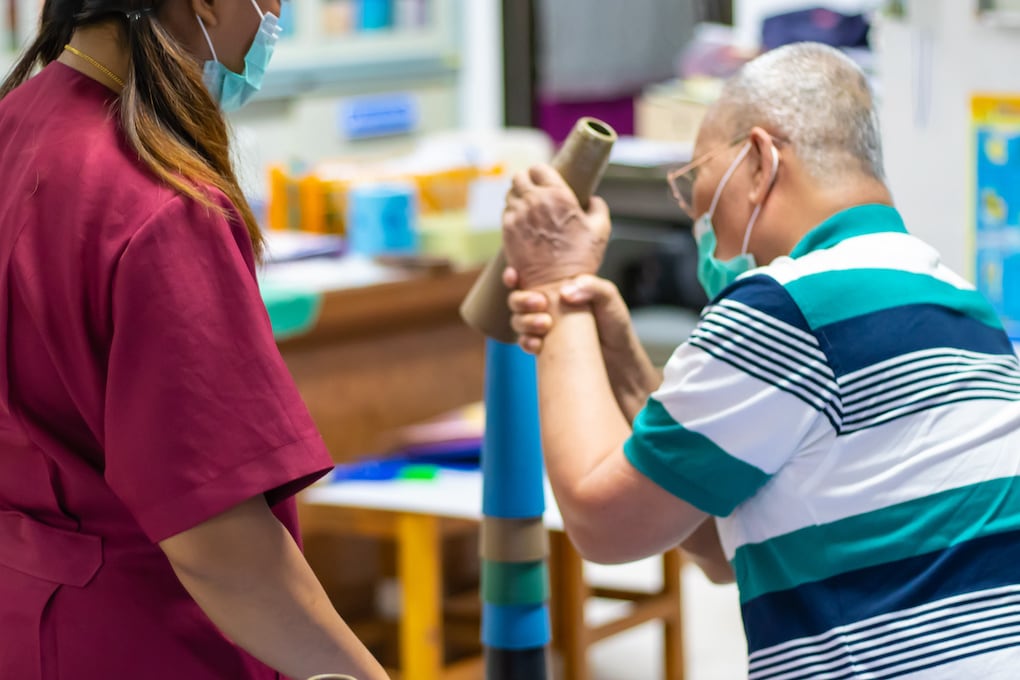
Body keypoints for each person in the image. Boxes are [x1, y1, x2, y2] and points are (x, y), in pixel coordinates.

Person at [502, 42, 1020, 678]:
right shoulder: (962, 304)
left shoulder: (787, 305)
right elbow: (722, 547)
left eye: (699, 181)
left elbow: (603, 524)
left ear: (758, 160)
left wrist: (556, 274)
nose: (699, 219)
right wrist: (626, 367)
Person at [0, 2, 388, 679]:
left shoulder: (15, 128)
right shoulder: (157, 205)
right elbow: (221, 545)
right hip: (142, 641)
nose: (274, 18)